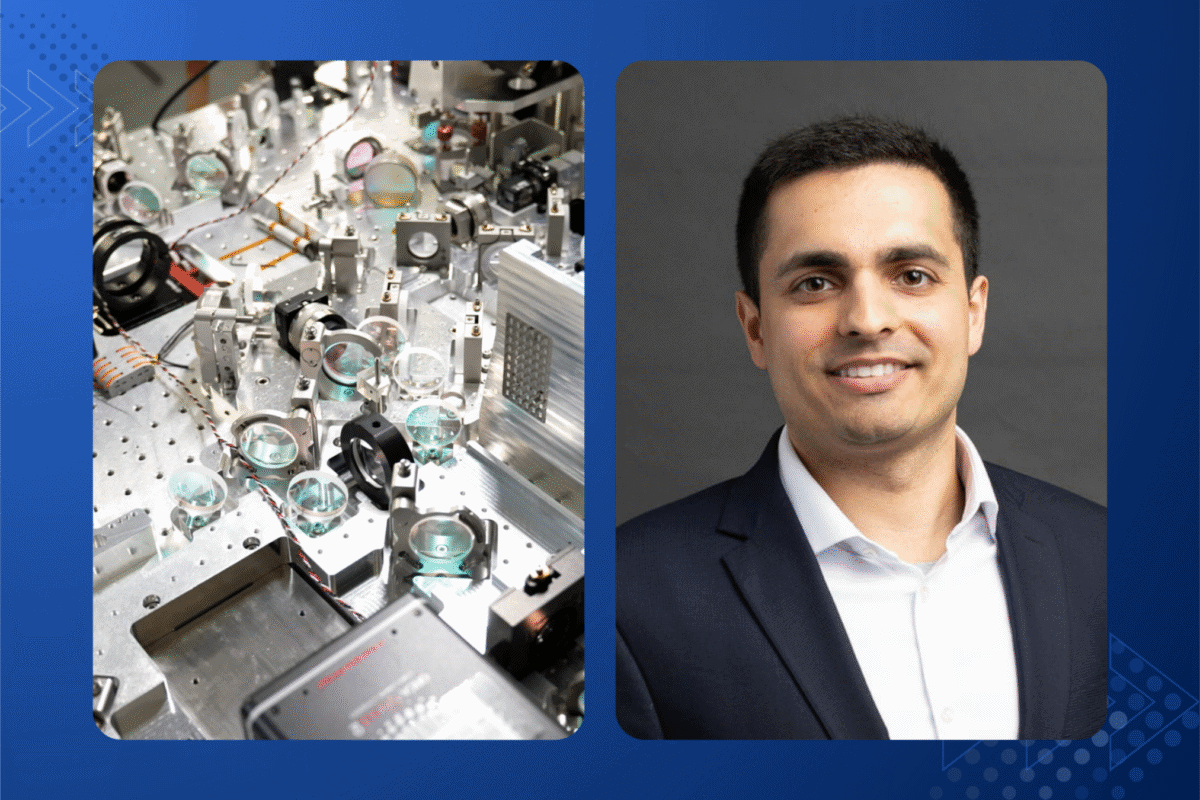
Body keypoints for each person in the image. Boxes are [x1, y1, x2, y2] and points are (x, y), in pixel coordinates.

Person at [616, 116, 1106, 740]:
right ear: (755, 327)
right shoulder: (630, 600)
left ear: (973, 311)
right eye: (815, 283)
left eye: (912, 276)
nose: (868, 320)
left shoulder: (1108, 561)